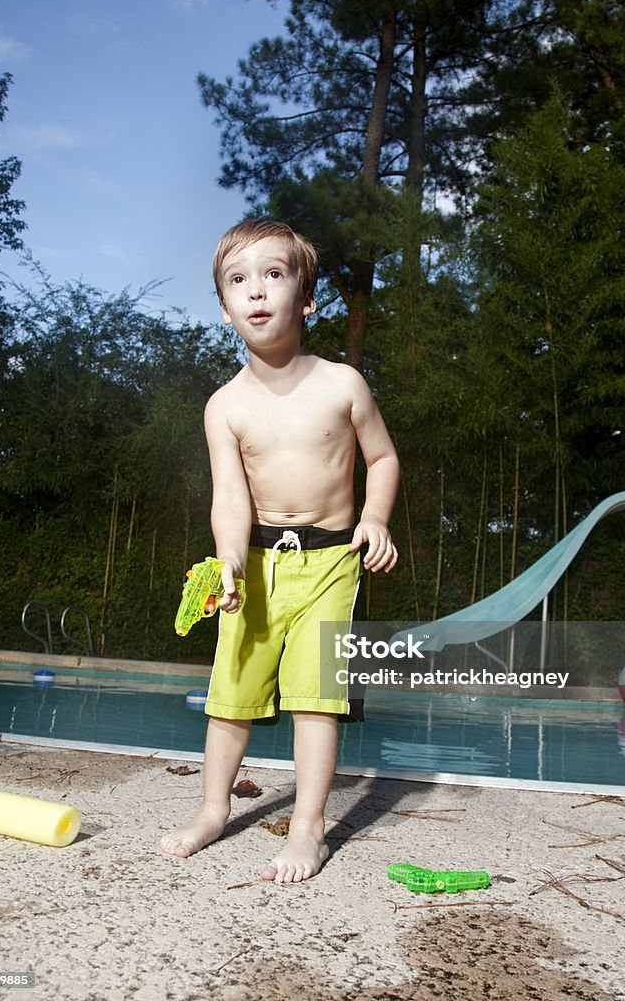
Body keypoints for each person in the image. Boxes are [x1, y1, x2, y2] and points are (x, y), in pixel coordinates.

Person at [161, 218, 399, 882]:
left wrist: (374, 519)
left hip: (329, 564)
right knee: (229, 691)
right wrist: (228, 560)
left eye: (274, 274)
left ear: (307, 299)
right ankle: (213, 807)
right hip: (256, 565)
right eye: (239, 280)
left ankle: (307, 825)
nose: (257, 290)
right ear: (224, 307)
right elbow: (230, 498)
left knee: (315, 697)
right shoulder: (225, 406)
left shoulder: (342, 384)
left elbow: (381, 458)